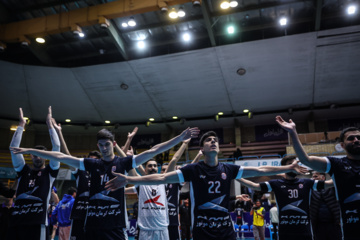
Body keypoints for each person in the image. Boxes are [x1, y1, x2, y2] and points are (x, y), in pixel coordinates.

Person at [105, 131, 307, 240]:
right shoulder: (193, 170)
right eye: (209, 140)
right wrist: (131, 180)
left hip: (226, 232)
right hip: (202, 232)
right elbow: (161, 178)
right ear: (202, 148)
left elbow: (260, 172)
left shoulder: (229, 169)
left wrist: (288, 167)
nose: (213, 142)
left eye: (215, 140)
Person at [10, 127, 200, 240]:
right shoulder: (92, 164)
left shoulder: (123, 162)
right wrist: (29, 149)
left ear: (113, 143)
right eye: (100, 145)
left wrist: (179, 138)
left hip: (115, 228)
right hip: (92, 227)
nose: (103, 148)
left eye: (107, 144)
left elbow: (153, 151)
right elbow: (61, 156)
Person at [276, 116, 360, 240]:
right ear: (342, 145)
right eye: (351, 138)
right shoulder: (338, 165)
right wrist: (293, 133)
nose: (356, 140)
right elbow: (306, 160)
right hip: (351, 232)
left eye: (358, 137)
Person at [239, 155, 333, 240]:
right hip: (285, 234)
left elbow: (330, 184)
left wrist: (337, 172)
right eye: (290, 164)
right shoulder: (276, 184)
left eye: (295, 163)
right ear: (284, 167)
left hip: (305, 233)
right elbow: (254, 185)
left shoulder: (307, 183)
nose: (294, 166)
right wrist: (236, 176)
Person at [8, 107, 60, 240]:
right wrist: (21, 125)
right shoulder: (23, 171)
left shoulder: (50, 172)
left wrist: (50, 126)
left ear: (45, 156)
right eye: (35, 155)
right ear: (30, 156)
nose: (38, 157)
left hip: (38, 224)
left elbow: (57, 148)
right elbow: (13, 149)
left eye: (41, 155)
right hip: (17, 222)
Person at [310, 171, 341, 240]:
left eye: (316, 176)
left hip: (333, 224)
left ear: (323, 177)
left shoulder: (332, 188)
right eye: (313, 177)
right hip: (318, 225)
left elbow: (337, 179)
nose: (313, 178)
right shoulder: (311, 190)